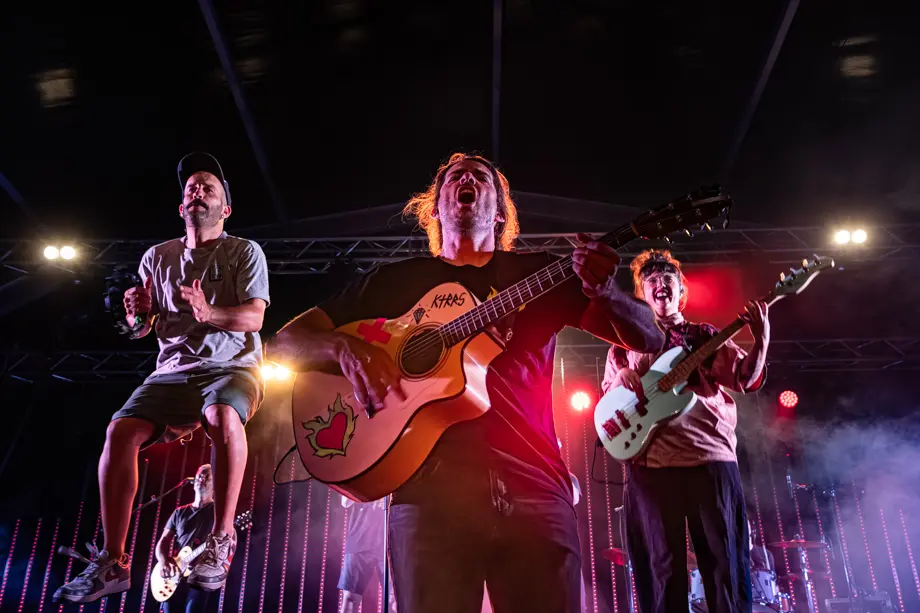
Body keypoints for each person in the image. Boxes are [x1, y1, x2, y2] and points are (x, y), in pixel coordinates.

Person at [269, 152, 663, 613]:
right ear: (434, 208)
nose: (467, 179)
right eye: (455, 176)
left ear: (499, 212)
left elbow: (650, 336)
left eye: (482, 176)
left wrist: (606, 291)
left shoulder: (539, 272)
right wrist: (343, 349)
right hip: (428, 498)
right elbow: (285, 343)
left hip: (535, 488)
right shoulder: (393, 281)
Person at [54, 152, 270, 603]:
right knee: (120, 430)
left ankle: (221, 540)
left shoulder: (244, 252)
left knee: (221, 416)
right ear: (181, 207)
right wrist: (136, 315)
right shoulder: (158, 257)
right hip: (172, 373)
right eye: (192, 186)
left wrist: (210, 312)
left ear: (225, 208)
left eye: (209, 186)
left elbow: (253, 317)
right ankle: (114, 561)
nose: (198, 190)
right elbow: (142, 329)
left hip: (231, 367)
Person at [601, 249, 769, 613]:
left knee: (725, 562)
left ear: (681, 293)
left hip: (709, 459)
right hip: (651, 466)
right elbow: (607, 402)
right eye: (651, 281)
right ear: (641, 295)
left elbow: (745, 378)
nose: (659, 284)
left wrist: (762, 337)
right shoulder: (624, 342)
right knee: (663, 570)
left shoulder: (704, 335)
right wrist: (621, 379)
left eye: (668, 280)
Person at [156, 465, 217, 613]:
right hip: (175, 572)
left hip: (201, 574)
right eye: (199, 476)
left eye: (207, 476)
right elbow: (163, 541)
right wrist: (164, 561)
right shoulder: (179, 512)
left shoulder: (218, 512)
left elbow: (224, 542)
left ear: (215, 484)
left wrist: (205, 557)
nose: (201, 479)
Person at [338, 495, 396, 613]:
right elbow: (345, 502)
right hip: (359, 540)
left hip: (389, 541)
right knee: (350, 599)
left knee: (394, 600)